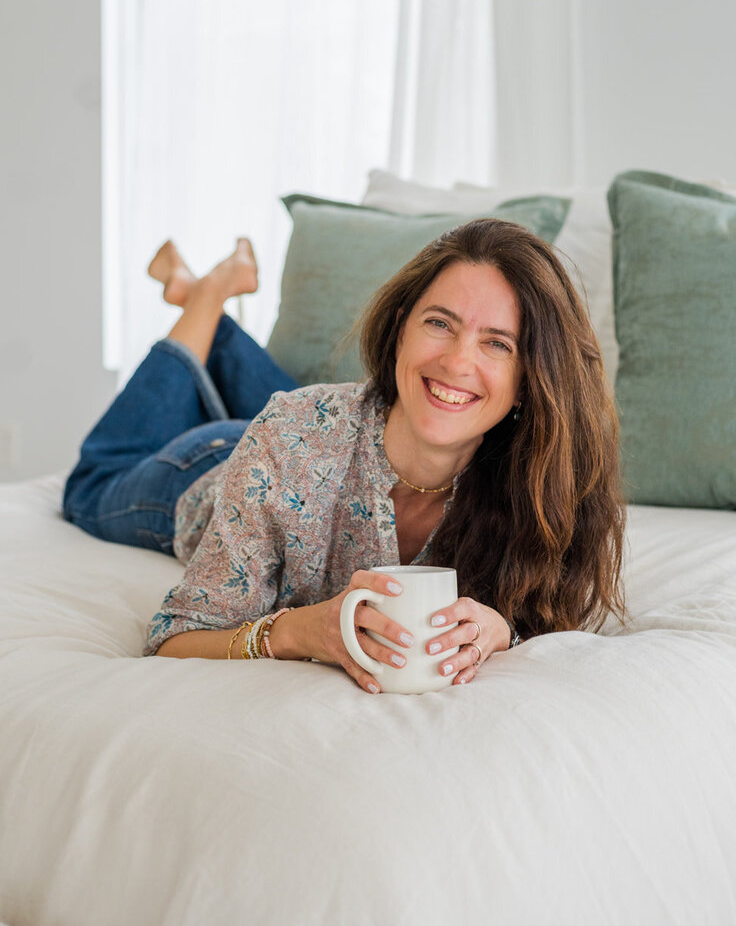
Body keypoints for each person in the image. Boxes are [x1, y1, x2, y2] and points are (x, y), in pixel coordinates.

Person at [63, 222, 626, 693]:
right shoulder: (291, 434)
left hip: (312, 429)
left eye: (497, 344)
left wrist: (502, 629)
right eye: (439, 323)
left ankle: (198, 294)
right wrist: (295, 633)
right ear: (401, 326)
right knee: (92, 482)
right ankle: (208, 296)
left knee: (318, 413)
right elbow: (173, 639)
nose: (457, 361)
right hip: (204, 472)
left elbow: (555, 619)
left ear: (532, 377)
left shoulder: (548, 482)